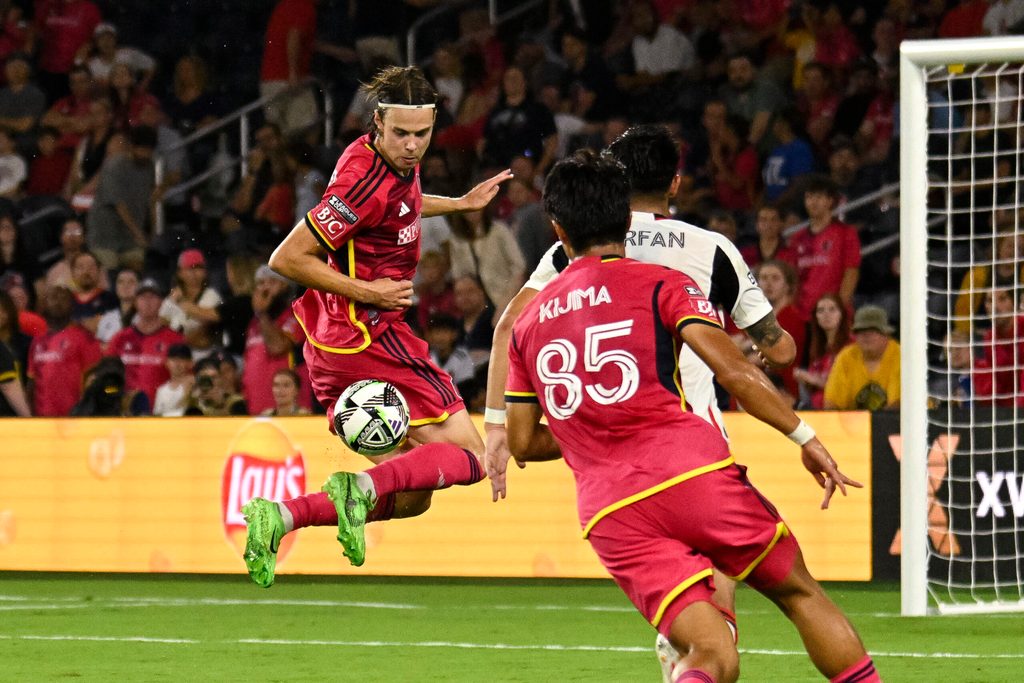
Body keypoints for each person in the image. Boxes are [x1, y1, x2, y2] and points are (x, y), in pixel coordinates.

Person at [490, 151, 874, 683]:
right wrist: (804, 436)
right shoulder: (659, 283)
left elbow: (524, 442)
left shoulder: (530, 323)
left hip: (610, 511)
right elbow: (737, 372)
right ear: (626, 220)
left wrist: (591, 428)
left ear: (557, 228)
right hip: (690, 473)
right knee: (798, 592)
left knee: (712, 656)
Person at [241, 66, 511, 587]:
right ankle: (356, 490)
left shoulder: (383, 164)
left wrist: (458, 204)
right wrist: (372, 292)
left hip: (334, 338)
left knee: (412, 496)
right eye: (401, 134)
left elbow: (397, 206)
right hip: (367, 336)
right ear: (378, 123)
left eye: (422, 134)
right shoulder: (361, 181)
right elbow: (287, 257)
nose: (412, 146)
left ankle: (280, 518)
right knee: (473, 456)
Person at [784, 175, 861, 319]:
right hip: (804, 313)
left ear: (830, 201)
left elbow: (851, 272)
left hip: (833, 312)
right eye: (809, 197)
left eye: (819, 197)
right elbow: (792, 276)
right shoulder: (797, 238)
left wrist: (840, 307)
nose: (813, 202)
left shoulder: (846, 233)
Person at [105, 277, 185, 406]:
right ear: (135, 302)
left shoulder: (175, 340)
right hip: (124, 412)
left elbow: (184, 378)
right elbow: (106, 376)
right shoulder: (120, 338)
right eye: (143, 297)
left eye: (153, 297)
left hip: (160, 412)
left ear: (161, 302)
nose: (148, 302)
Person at [27, 285, 102, 416]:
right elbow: (31, 382)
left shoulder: (84, 337)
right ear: (44, 303)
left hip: (74, 418)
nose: (58, 302)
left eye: (63, 298)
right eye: (53, 297)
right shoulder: (37, 340)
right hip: (42, 420)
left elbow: (96, 381)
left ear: (72, 304)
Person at [242, 264, 303, 415]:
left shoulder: (294, 316)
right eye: (261, 283)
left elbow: (277, 347)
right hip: (255, 406)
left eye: (272, 282)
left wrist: (262, 313)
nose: (265, 288)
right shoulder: (254, 322)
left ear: (286, 286)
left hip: (285, 410)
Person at [824, 305, 900, 410]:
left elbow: (899, 405)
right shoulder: (846, 357)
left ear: (886, 334)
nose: (866, 335)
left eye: (873, 330)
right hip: (856, 424)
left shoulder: (900, 356)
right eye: (861, 330)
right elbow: (831, 404)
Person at [793, 292, 852, 409]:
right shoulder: (817, 348)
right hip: (816, 404)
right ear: (816, 317)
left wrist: (814, 380)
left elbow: (848, 387)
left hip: (839, 408)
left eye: (832, 309)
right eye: (820, 310)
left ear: (842, 314)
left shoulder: (850, 345)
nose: (826, 314)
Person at [152, 342, 193, 417]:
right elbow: (157, 416)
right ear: (166, 363)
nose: (177, 364)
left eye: (182, 359)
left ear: (190, 363)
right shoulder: (161, 390)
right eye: (173, 359)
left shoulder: (195, 385)